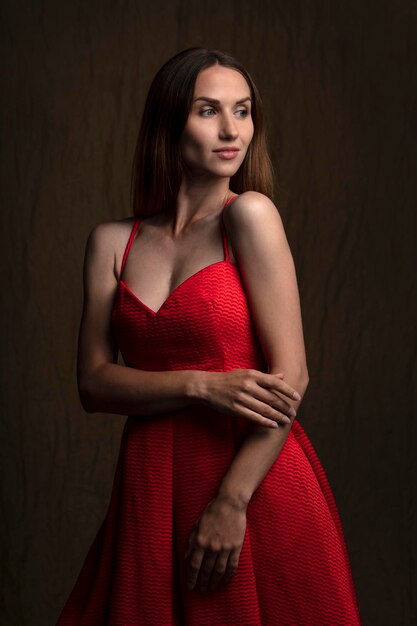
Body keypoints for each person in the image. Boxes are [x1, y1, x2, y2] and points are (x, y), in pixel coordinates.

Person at [56, 47, 361, 625]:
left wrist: (232, 502)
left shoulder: (249, 216)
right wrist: (202, 386)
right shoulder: (110, 242)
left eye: (243, 111)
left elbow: (291, 374)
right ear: (170, 121)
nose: (232, 130)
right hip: (151, 488)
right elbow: (92, 384)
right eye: (208, 110)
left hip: (250, 480)